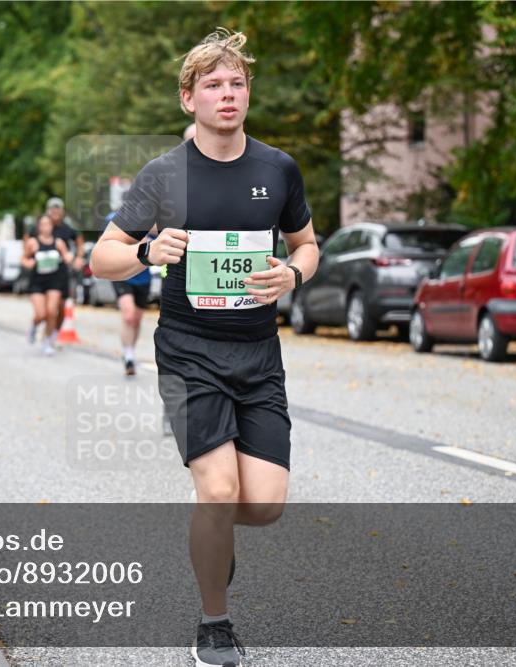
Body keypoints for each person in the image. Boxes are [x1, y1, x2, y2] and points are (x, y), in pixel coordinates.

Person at [90, 28, 320, 667]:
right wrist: (144, 250)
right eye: (213, 85)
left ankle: (211, 532)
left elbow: (307, 244)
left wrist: (294, 273)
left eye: (237, 83)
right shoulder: (164, 175)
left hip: (258, 351)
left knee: (264, 506)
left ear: (249, 94)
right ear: (188, 99)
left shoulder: (278, 168)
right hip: (189, 349)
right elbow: (99, 256)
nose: (228, 94)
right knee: (217, 492)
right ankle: (214, 622)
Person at [106, 211, 154, 376]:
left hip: (143, 278)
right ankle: (128, 357)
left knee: (136, 320)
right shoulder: (115, 219)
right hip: (123, 275)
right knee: (128, 315)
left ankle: (131, 351)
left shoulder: (151, 220)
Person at [22, 213, 73, 355]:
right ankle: (34, 325)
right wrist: (29, 263)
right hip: (37, 281)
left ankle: (48, 341)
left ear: (52, 226)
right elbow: (24, 259)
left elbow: (67, 255)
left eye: (48, 224)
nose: (46, 227)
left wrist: (69, 258)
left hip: (54, 280)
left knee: (51, 313)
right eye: (43, 225)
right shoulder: (33, 242)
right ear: (39, 227)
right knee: (41, 314)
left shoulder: (58, 242)